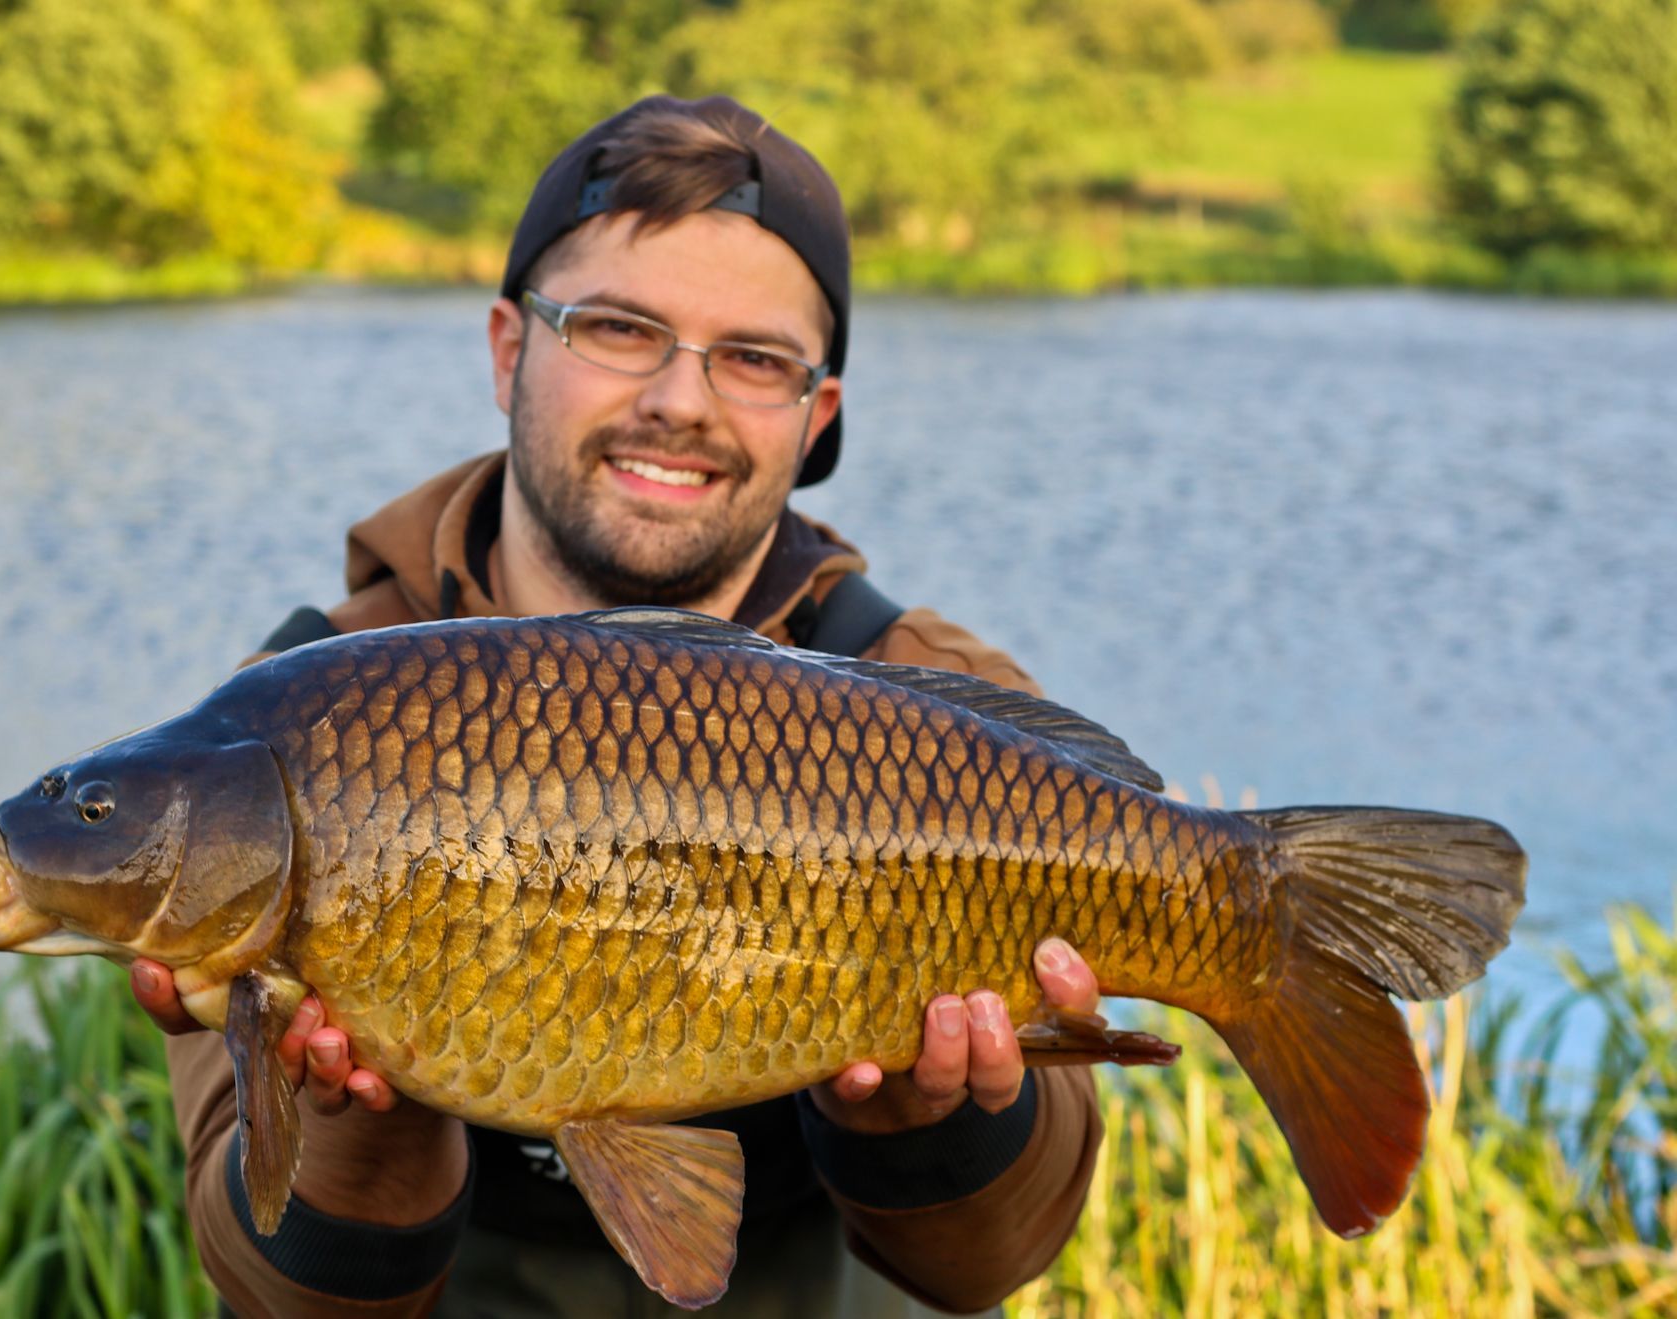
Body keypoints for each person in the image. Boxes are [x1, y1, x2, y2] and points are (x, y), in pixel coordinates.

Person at [131, 96, 1107, 1318]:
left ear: (819, 418)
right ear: (506, 349)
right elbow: (282, 1301)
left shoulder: (947, 712)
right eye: (617, 327)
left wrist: (927, 1118)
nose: (680, 401)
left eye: (754, 358)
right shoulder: (301, 724)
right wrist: (366, 1129)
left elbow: (990, 1265)